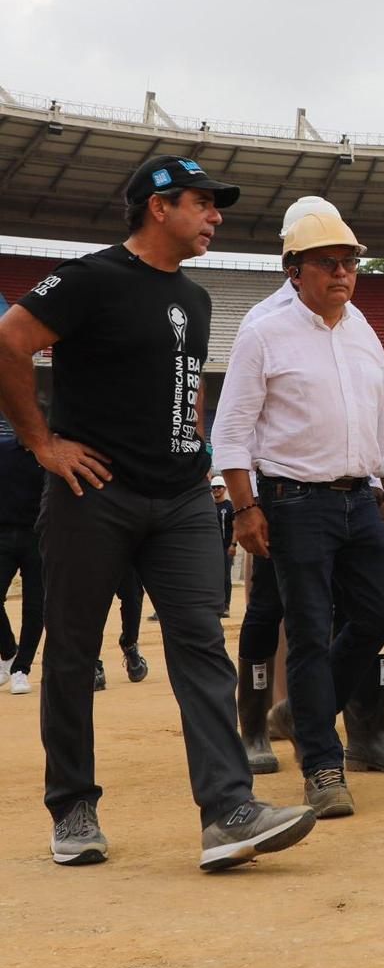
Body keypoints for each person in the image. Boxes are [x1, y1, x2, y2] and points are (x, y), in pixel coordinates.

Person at [0, 154, 315, 869]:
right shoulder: (91, 279)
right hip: (93, 493)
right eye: (203, 203)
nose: (216, 216)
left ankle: (229, 810)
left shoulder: (198, 300)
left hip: (177, 497)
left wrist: (196, 458)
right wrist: (42, 443)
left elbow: (184, 394)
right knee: (74, 650)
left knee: (200, 644)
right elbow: (9, 340)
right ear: (158, 207)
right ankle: (73, 806)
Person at [212, 207, 384, 819]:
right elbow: (232, 430)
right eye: (329, 263)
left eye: (350, 263)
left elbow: (381, 417)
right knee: (308, 629)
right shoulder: (263, 332)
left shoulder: (363, 330)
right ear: (293, 270)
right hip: (293, 501)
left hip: (359, 499)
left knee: (382, 616)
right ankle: (322, 766)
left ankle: (302, 714)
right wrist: (245, 509)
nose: (344, 273)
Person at [0, 417, 45, 695]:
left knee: (35, 607)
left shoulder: (51, 460)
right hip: (2, 535)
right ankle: (7, 652)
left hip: (39, 539)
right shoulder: (3, 451)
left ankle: (21, 670)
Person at [94, 567, 149, 690]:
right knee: (94, 601)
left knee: (133, 593)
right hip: (91, 554)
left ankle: (129, 645)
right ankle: (92, 662)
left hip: (123, 551)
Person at [210, 476, 236, 617]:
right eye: (213, 488)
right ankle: (215, 605)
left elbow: (236, 526)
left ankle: (226, 606)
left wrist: (233, 544)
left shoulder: (229, 506)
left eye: (219, 487)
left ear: (225, 489)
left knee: (226, 577)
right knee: (213, 578)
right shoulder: (209, 506)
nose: (216, 490)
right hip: (212, 549)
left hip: (226, 547)